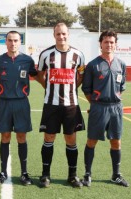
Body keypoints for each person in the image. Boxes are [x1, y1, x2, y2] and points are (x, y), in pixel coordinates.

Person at [36, 22, 85, 188]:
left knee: (71, 139)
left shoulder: (78, 55)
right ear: (54, 35)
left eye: (64, 34)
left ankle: (72, 175)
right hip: (51, 104)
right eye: (58, 34)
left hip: (71, 105)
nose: (61, 37)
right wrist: (49, 87)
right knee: (49, 138)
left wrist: (72, 89)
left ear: (68, 34)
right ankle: (45, 175)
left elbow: (80, 76)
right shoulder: (46, 54)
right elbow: (40, 74)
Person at [0, 31, 38, 186]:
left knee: (21, 137)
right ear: (6, 42)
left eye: (15, 40)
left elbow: (37, 75)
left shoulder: (27, 60)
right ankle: (3, 172)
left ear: (19, 41)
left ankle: (24, 173)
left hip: (22, 103)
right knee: (5, 137)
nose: (12, 43)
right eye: (9, 40)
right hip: (4, 103)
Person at [81, 30, 129, 187]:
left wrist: (114, 99)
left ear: (116, 44)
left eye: (112, 42)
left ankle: (116, 175)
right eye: (106, 42)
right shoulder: (93, 65)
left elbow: (121, 87)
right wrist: (95, 104)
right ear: (100, 44)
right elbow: (86, 89)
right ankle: (87, 174)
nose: (109, 44)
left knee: (116, 142)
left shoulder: (121, 64)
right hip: (98, 108)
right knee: (91, 141)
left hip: (116, 108)